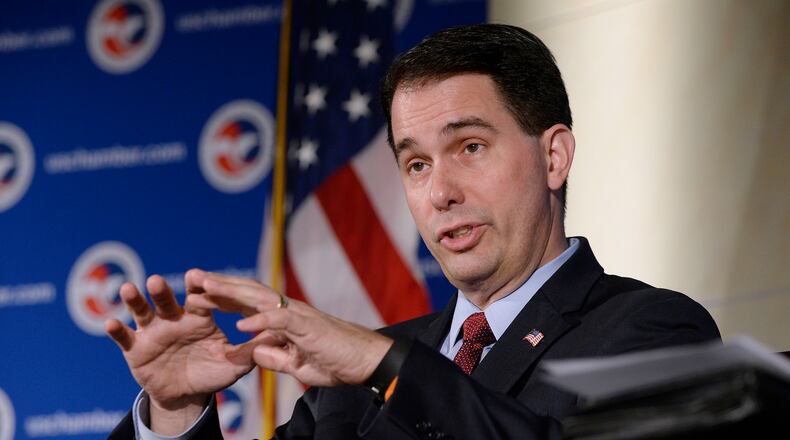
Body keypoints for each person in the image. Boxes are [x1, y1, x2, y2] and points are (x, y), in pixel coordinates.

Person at [107, 24, 720, 440]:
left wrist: (385, 365)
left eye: (470, 147)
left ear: (553, 156)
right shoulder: (346, 389)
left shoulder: (655, 330)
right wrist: (174, 413)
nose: (439, 192)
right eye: (416, 164)